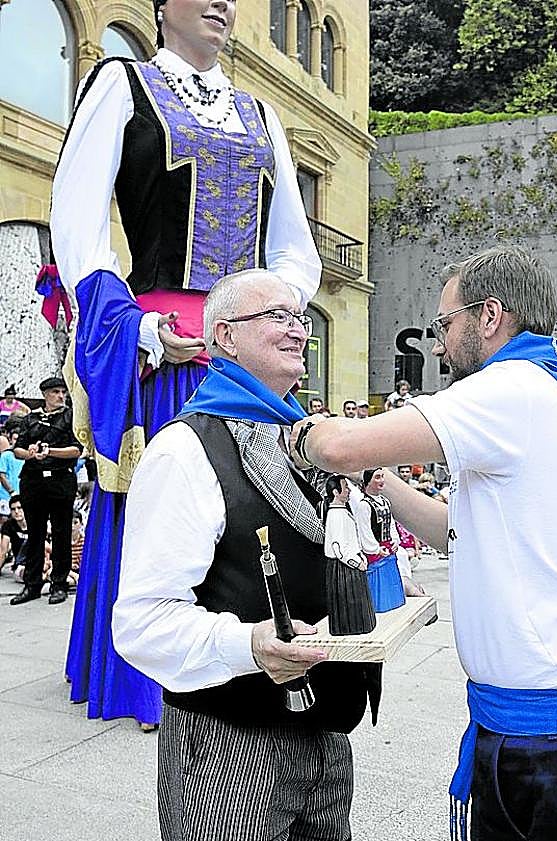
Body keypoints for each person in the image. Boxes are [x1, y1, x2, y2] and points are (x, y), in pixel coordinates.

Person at [289, 244, 557, 841]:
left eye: (445, 323)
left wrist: (297, 428)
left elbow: (338, 446)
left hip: (545, 733)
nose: (439, 343)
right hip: (545, 716)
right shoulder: (545, 384)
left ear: (490, 315)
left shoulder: (510, 389)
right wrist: (380, 483)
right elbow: (456, 532)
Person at [50, 0, 320, 726]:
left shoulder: (261, 114)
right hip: (165, 345)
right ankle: (148, 678)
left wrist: (269, 314)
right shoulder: (122, 83)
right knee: (167, 503)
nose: (222, 3)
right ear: (163, 6)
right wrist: (134, 327)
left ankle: (263, 649)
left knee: (260, 507)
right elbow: (77, 224)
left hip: (243, 350)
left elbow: (293, 248)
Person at [113, 270, 379, 841]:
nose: (298, 330)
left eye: (300, 317)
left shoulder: (305, 440)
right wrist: (249, 645)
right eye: (277, 316)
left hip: (327, 739)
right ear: (226, 337)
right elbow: (141, 622)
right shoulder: (184, 450)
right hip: (229, 751)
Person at [10, 377, 81, 606]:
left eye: (63, 392)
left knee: (61, 534)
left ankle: (59, 584)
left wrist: (50, 451)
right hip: (33, 481)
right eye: (55, 392)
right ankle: (32, 585)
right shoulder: (31, 418)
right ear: (45, 394)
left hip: (60, 479)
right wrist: (30, 453)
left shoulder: (70, 417)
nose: (60, 396)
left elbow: (76, 450)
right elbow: (18, 450)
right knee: (35, 534)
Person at [322, 473, 376, 635]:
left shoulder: (343, 511)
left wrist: (360, 555)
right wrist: (356, 562)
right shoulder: (335, 515)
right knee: (348, 604)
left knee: (357, 603)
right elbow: (338, 548)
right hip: (343, 567)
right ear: (335, 492)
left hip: (353, 562)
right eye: (345, 488)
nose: (349, 491)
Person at [352, 468, 406, 613]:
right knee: (378, 581)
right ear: (368, 481)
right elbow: (364, 531)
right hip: (376, 550)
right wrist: (375, 549)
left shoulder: (385, 501)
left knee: (391, 577)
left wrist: (395, 539)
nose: (381, 480)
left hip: (388, 546)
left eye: (382, 477)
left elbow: (391, 523)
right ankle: (378, 606)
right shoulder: (364, 505)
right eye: (377, 477)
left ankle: (393, 602)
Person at [0, 495, 28, 575]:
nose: (16, 511)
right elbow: (3, 551)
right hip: (21, 565)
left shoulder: (35, 522)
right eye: (13, 509)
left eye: (19, 508)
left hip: (39, 561)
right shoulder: (8, 525)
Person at [0, 419, 23, 502]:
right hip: (6, 496)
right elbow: (2, 476)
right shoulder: (5, 455)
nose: (17, 441)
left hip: (23, 495)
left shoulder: (27, 456)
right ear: (10, 439)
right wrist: (12, 491)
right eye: (15, 439)